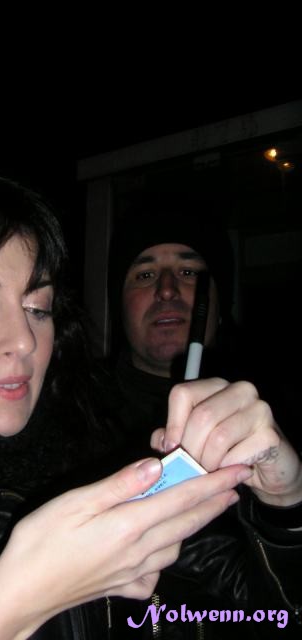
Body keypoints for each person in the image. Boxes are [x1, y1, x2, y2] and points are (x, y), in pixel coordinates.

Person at [0, 176, 300, 640]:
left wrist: (286, 506)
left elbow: (272, 616)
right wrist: (14, 609)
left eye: (38, 308)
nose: (24, 341)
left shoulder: (101, 471)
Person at [105, 198, 302, 637]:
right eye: (145, 274)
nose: (168, 290)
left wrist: (289, 509)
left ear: (218, 303)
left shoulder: (279, 421)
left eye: (190, 271)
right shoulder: (66, 422)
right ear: (118, 303)